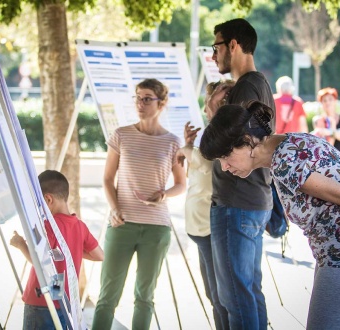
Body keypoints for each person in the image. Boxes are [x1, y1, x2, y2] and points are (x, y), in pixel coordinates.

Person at [199, 100, 340, 329]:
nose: (224, 167)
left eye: (225, 157)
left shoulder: (285, 163)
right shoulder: (293, 141)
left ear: (247, 142)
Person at [91, 78, 186, 330]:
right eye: (137, 97)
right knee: (107, 297)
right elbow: (108, 178)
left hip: (156, 229)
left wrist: (164, 194)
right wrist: (114, 208)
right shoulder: (121, 135)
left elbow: (181, 184)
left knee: (144, 298)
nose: (140, 103)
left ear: (162, 103)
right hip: (122, 225)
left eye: (146, 98)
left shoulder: (173, 142)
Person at [205, 18, 275, 329]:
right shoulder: (255, 84)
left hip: (237, 202)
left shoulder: (247, 85)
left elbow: (236, 147)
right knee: (247, 292)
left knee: (235, 297)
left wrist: (212, 114)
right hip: (248, 201)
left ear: (233, 45)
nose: (213, 55)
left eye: (216, 46)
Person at [10, 170, 104, 329]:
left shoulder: (47, 227)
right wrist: (69, 249)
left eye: (38, 202)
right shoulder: (79, 226)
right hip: (64, 300)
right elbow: (99, 255)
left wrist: (20, 244)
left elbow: (39, 262)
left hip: (41, 299)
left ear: (48, 199)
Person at [175, 79, 234, 330]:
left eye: (212, 103)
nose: (207, 109)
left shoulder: (226, 132)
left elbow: (205, 163)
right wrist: (187, 146)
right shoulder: (213, 133)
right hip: (199, 225)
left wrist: (185, 150)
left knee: (220, 295)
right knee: (214, 293)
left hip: (211, 225)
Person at [315, 87, 340, 167]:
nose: (327, 103)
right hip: (328, 161)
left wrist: (330, 132)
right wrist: (333, 128)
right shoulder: (319, 120)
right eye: (324, 100)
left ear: (335, 101)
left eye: (330, 99)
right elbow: (327, 145)